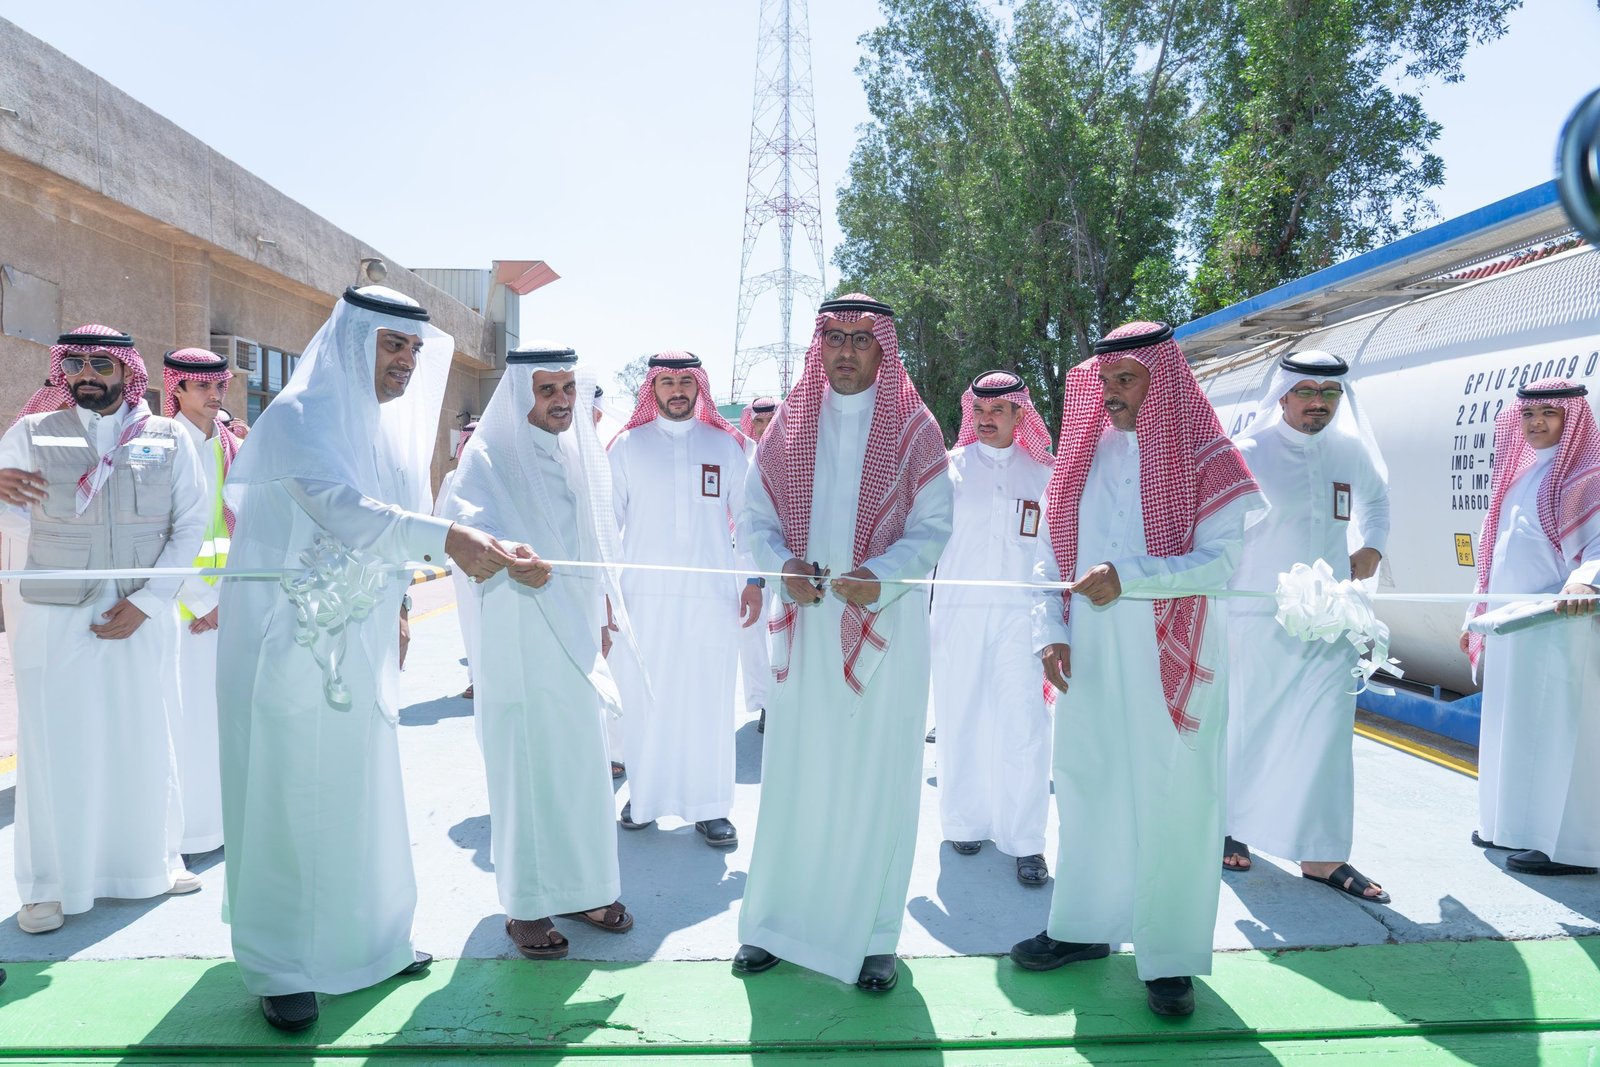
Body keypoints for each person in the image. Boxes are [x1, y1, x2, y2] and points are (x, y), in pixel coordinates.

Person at [217, 286, 515, 1032]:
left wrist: (407, 605)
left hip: (362, 641)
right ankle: (281, 964)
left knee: (358, 792)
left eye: (415, 349)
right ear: (355, 343)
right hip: (287, 647)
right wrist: (447, 542)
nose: (407, 362)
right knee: (287, 799)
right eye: (394, 345)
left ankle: (368, 944)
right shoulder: (296, 418)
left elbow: (390, 533)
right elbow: (344, 512)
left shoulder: (383, 431)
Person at [1009, 321, 1262, 1018]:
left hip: (1172, 651)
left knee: (1173, 798)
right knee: (1088, 784)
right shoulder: (1081, 453)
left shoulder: (1211, 458)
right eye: (1107, 380)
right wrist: (1050, 628)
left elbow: (1219, 563)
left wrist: (1130, 575)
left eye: (1128, 379)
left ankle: (1169, 956)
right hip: (1089, 650)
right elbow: (1050, 556)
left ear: (1163, 379)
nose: (1114, 393)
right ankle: (1084, 927)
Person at [735, 295, 952, 992]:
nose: (848, 351)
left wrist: (881, 577)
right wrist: (782, 567)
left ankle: (875, 936)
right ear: (819, 346)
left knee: (877, 781)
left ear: (884, 350)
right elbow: (756, 517)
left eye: (863, 339)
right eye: (837, 338)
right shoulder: (789, 427)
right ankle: (772, 924)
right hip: (805, 630)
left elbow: (934, 529)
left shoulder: (915, 429)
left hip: (884, 634)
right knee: (798, 774)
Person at [0, 325, 207, 935]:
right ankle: (48, 885)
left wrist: (149, 600)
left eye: (101, 364)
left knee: (146, 732)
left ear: (126, 371)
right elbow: (10, 514)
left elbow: (190, 524)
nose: (87, 373)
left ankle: (154, 861)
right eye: (77, 364)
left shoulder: (167, 438)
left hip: (140, 614)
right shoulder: (32, 433)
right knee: (55, 745)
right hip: (55, 614)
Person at [441, 342, 641, 959]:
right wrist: (509, 553)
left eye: (567, 389)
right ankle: (525, 907)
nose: (559, 401)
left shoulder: (585, 452)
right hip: (520, 631)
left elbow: (598, 541)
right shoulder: (489, 455)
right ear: (524, 392)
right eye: (546, 389)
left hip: (578, 630)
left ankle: (587, 890)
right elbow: (466, 522)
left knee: (583, 765)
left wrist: (603, 610)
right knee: (525, 766)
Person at [1224, 350, 1391, 901]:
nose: (1318, 403)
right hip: (1257, 617)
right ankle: (1230, 826)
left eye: (1330, 394)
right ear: (1283, 395)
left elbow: (1378, 501)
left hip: (1331, 620)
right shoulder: (1248, 452)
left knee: (1326, 732)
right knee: (1250, 723)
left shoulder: (1349, 451)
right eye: (1307, 393)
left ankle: (1322, 854)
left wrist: (1372, 548)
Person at [607, 352, 760, 845]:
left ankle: (710, 806)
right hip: (644, 602)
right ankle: (645, 797)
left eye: (685, 382)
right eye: (667, 381)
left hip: (712, 601)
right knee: (645, 699)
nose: (677, 390)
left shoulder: (725, 446)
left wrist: (753, 581)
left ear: (699, 388)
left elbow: (752, 521)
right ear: (652, 388)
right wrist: (605, 594)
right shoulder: (628, 447)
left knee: (708, 701)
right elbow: (606, 527)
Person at [1462, 379, 1600, 876]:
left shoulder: (1588, 474)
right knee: (1513, 727)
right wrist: (1474, 614)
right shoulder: (1518, 475)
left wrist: (1585, 581)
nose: (1537, 422)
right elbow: (1496, 556)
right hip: (1512, 628)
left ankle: (1574, 847)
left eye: (1550, 413)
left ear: (1572, 418)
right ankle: (1511, 826)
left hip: (1562, 629)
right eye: (1529, 414)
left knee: (1563, 735)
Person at [931, 370, 1055, 885]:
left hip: (1021, 618)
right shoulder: (948, 470)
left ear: (1019, 414)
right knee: (961, 718)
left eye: (997, 412)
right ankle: (964, 821)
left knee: (1024, 727)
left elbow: (1054, 551)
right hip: (958, 616)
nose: (986, 420)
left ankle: (1026, 842)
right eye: (978, 413)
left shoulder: (1045, 473)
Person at [162, 347, 245, 858]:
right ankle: (189, 834)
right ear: (177, 388)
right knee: (185, 721)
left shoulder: (232, 444)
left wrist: (227, 600)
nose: (213, 396)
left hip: (231, 605)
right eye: (202, 387)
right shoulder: (158, 442)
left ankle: (222, 827)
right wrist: (199, 599)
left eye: (219, 386)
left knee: (225, 719)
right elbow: (156, 530)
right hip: (179, 608)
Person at [738, 396, 779, 732]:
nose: (764, 429)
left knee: (786, 632)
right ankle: (766, 702)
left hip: (788, 558)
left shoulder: (797, 454)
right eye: (759, 422)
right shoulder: (741, 458)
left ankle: (786, 699)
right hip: (749, 559)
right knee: (752, 634)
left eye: (771, 421)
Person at [433, 420, 479, 700]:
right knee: (470, 622)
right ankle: (477, 679)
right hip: (463, 565)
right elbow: (440, 518)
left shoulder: (496, 473)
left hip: (497, 563)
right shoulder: (452, 479)